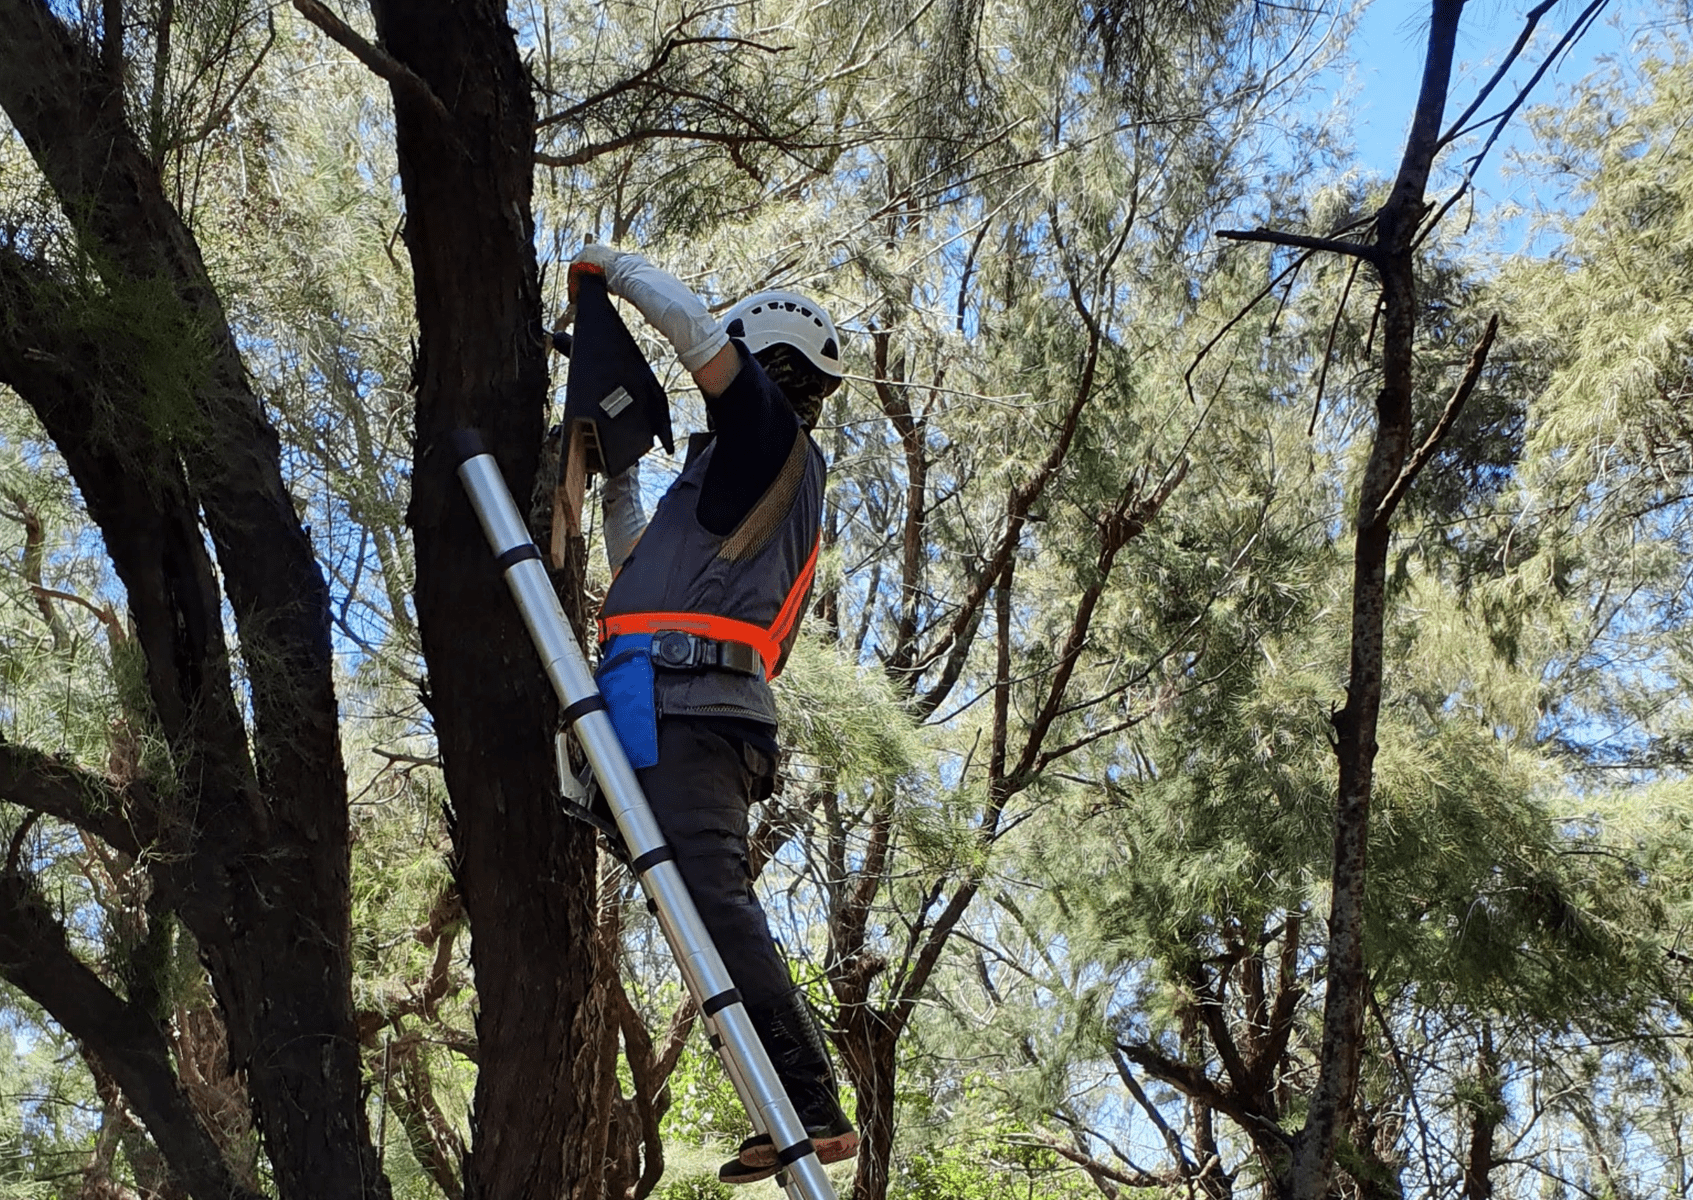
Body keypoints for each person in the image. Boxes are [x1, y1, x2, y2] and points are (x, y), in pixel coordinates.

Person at [570, 244, 856, 1185]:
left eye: (736, 361)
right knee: (691, 903)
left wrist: (616, 272)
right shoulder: (734, 482)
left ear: (763, 360)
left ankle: (810, 1104)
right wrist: (610, 476)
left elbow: (693, 337)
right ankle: (782, 1108)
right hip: (660, 703)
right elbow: (638, 569)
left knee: (714, 903)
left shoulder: (771, 438)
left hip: (691, 711)